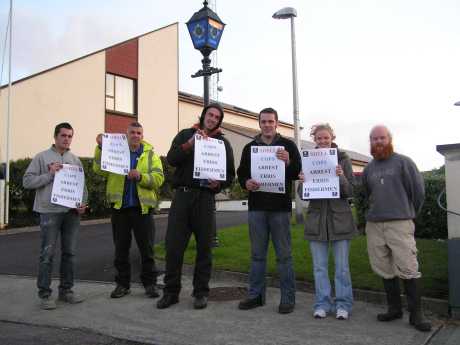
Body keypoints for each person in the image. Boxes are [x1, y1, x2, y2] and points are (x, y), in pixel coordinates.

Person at [157, 103, 235, 310]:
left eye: (216, 117)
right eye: (210, 114)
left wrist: (219, 184)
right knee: (173, 247)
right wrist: (189, 144)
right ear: (203, 115)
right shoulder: (185, 135)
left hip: (205, 199)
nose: (212, 118)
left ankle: (201, 292)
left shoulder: (222, 143)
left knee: (205, 248)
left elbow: (230, 175)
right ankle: (170, 292)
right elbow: (172, 159)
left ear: (219, 121)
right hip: (182, 196)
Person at [363, 125, 431, 332]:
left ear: (389, 139)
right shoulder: (369, 168)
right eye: (375, 139)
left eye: (382, 138)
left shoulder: (404, 163)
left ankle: (416, 315)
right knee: (384, 268)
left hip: (399, 223)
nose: (379, 142)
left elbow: (418, 192)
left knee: (408, 267)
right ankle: (394, 309)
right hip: (375, 224)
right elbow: (366, 195)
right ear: (371, 142)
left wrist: (408, 214)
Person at [237, 107, 301, 314]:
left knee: (284, 256)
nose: (267, 125)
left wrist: (288, 161)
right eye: (263, 121)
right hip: (257, 208)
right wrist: (246, 182)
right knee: (257, 255)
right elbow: (242, 173)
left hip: (280, 209)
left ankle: (287, 298)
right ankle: (256, 296)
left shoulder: (288, 145)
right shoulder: (250, 147)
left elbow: (297, 172)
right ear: (259, 123)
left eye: (270, 121)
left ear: (277, 123)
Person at [93, 122, 164, 299]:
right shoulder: (114, 151)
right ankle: (122, 285)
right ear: (127, 134)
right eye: (132, 132)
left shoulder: (150, 155)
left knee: (147, 251)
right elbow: (98, 169)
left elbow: (159, 178)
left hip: (143, 210)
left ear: (142, 135)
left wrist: (141, 176)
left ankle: (150, 285)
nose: (135, 135)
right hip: (120, 209)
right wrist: (101, 147)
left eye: (139, 132)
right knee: (121, 250)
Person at [23, 122, 87, 310]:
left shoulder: (75, 160)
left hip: (71, 214)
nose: (66, 139)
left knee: (70, 254)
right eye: (63, 136)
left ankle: (66, 291)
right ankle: (45, 294)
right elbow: (27, 181)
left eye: (70, 136)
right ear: (55, 137)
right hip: (49, 212)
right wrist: (49, 174)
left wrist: (83, 203)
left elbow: (82, 186)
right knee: (47, 254)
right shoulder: (42, 157)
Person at [298, 123, 357, 320]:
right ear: (314, 140)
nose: (323, 141)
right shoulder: (308, 160)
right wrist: (302, 182)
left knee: (342, 267)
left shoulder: (343, 159)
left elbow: (351, 192)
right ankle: (322, 303)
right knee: (319, 267)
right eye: (319, 138)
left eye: (326, 138)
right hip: (316, 220)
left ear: (332, 138)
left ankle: (343, 304)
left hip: (340, 220)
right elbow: (302, 195)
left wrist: (340, 176)